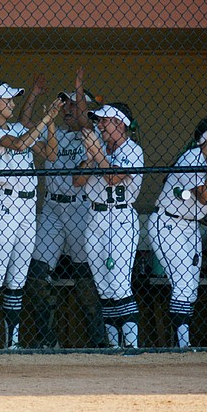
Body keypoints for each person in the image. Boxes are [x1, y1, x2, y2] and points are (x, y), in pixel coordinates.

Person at [25, 68, 106, 348]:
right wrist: (34, 96)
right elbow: (23, 128)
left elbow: (84, 118)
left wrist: (80, 89)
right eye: (66, 104)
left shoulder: (91, 135)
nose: (69, 109)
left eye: (74, 103)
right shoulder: (53, 134)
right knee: (36, 273)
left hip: (81, 210)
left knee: (85, 279)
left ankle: (98, 341)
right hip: (52, 210)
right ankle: (49, 340)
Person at [0, 79, 62, 350]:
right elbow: (19, 145)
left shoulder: (15, 126)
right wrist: (44, 117)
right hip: (6, 204)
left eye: (14, 100)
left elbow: (50, 154)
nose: (12, 104)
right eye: (7, 100)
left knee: (18, 278)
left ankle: (12, 343)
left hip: (27, 208)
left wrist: (50, 124)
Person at [147, 117, 207, 348]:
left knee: (190, 286)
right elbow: (205, 195)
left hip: (190, 227)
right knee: (182, 281)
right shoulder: (192, 158)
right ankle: (183, 345)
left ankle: (183, 342)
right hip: (168, 223)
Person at [74, 103, 144, 349]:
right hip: (94, 219)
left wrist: (97, 155)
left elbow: (113, 178)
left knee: (119, 283)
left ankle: (132, 346)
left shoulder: (133, 151)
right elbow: (77, 181)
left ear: (121, 124)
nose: (100, 125)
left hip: (121, 219)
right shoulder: (98, 148)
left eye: (105, 121)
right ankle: (114, 346)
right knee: (103, 287)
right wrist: (93, 157)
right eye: (99, 121)